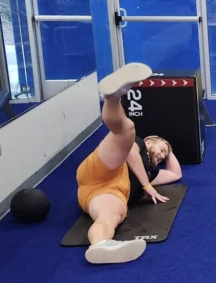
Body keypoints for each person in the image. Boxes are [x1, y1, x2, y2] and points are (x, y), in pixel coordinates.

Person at [75, 63, 180, 265]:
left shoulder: (150, 172)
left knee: (110, 216)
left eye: (162, 156)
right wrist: (147, 186)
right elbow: (130, 153)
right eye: (160, 149)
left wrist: (169, 152)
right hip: (106, 169)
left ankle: (99, 245)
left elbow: (175, 174)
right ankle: (113, 97)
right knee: (126, 130)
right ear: (150, 140)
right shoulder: (140, 144)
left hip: (105, 193)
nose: (159, 156)